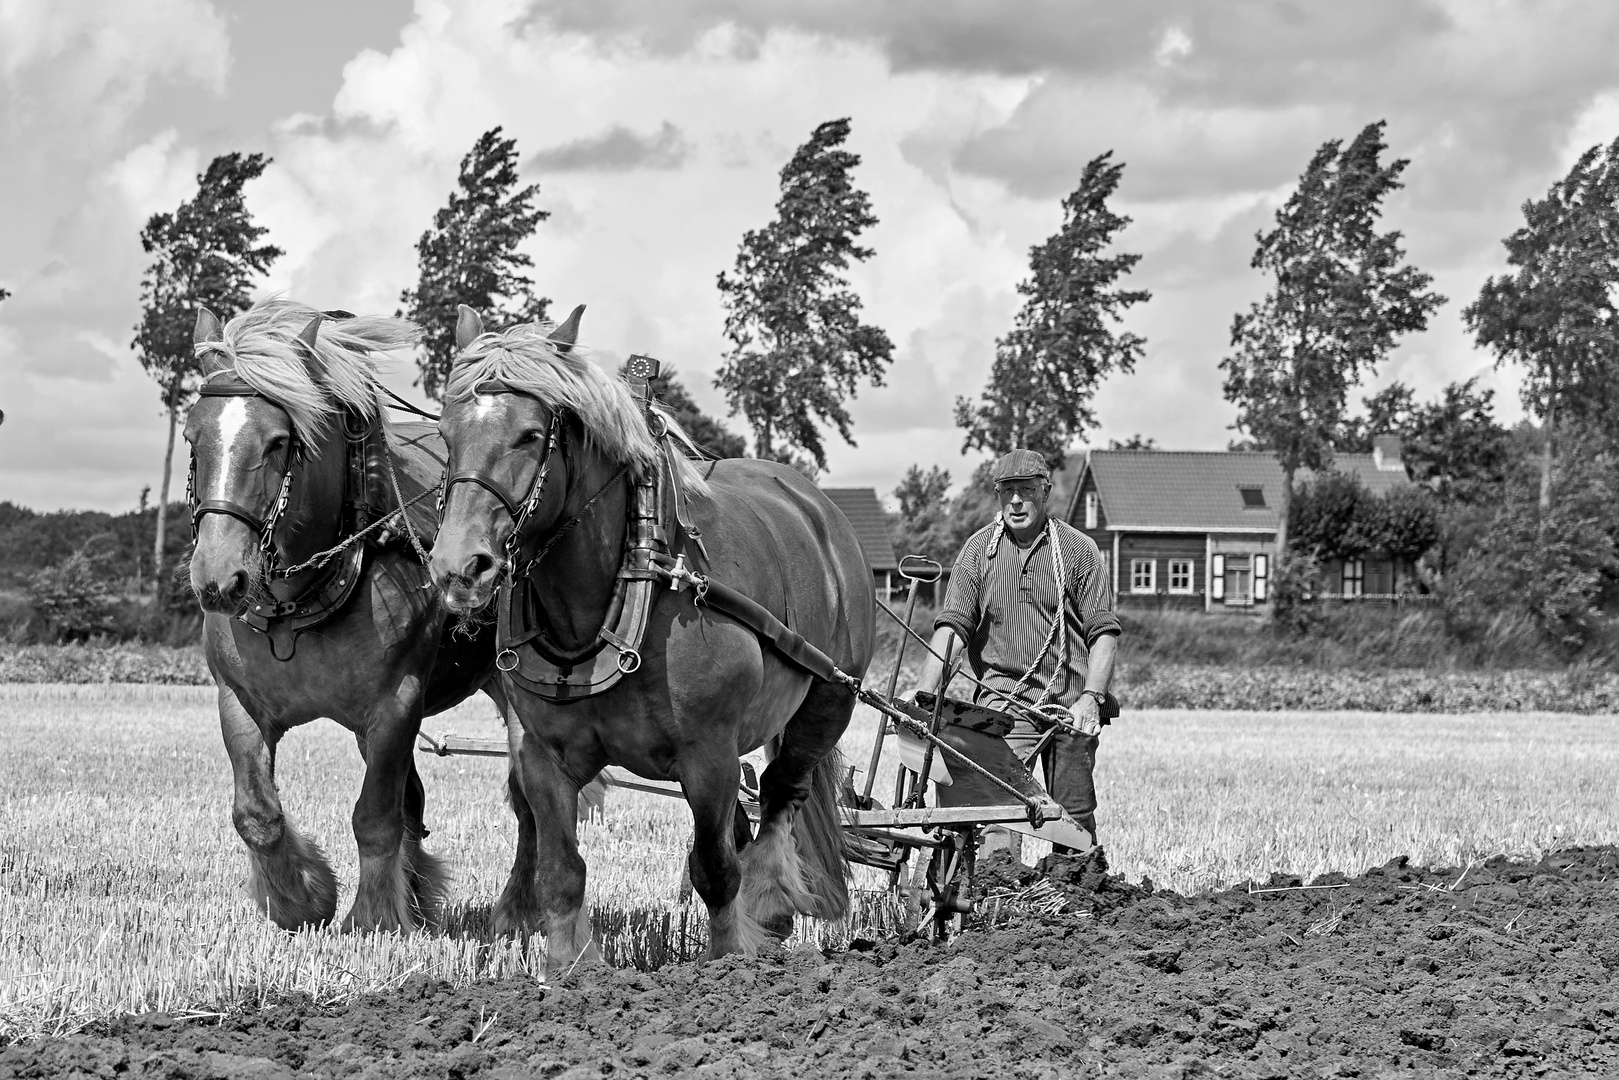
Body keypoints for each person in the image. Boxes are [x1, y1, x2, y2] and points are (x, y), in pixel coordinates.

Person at [915, 448, 1120, 848]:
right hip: (1005, 706)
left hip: (1068, 706)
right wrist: (923, 696)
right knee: (998, 814)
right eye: (1007, 491)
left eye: (1026, 490)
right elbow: (953, 630)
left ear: (1045, 493)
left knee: (1073, 818)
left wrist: (1092, 699)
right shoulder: (978, 552)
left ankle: (1078, 898)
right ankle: (998, 895)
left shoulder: (1079, 551)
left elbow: (1104, 635)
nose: (1015, 501)